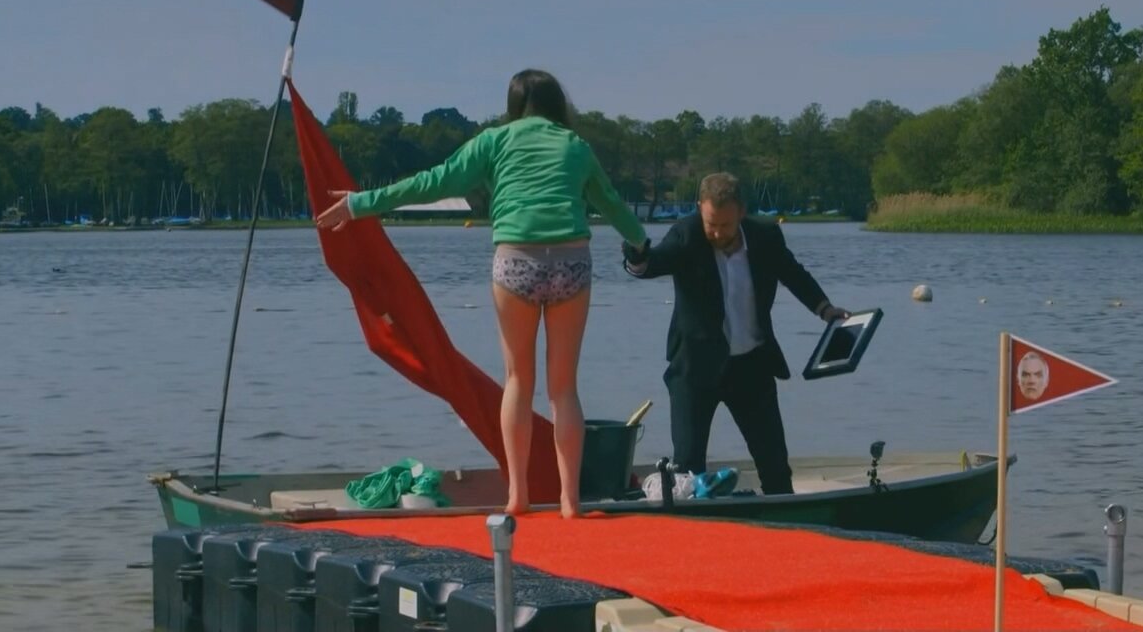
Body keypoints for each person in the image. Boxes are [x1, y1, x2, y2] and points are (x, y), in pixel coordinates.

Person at [314, 69, 648, 518]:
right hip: (571, 262)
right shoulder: (575, 146)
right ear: (557, 104)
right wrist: (641, 243)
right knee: (563, 389)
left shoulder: (494, 142)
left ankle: (518, 496)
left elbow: (433, 181)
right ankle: (570, 502)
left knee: (518, 382)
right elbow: (612, 204)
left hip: (516, 262)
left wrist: (359, 203)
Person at [621, 172, 850, 495]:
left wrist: (825, 309)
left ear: (741, 212)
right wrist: (637, 257)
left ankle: (786, 517)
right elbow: (654, 263)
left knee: (775, 466)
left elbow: (793, 274)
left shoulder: (765, 237)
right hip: (695, 369)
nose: (716, 233)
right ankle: (693, 523)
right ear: (700, 208)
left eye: (725, 225)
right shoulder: (687, 234)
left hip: (752, 367)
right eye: (710, 223)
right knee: (687, 470)